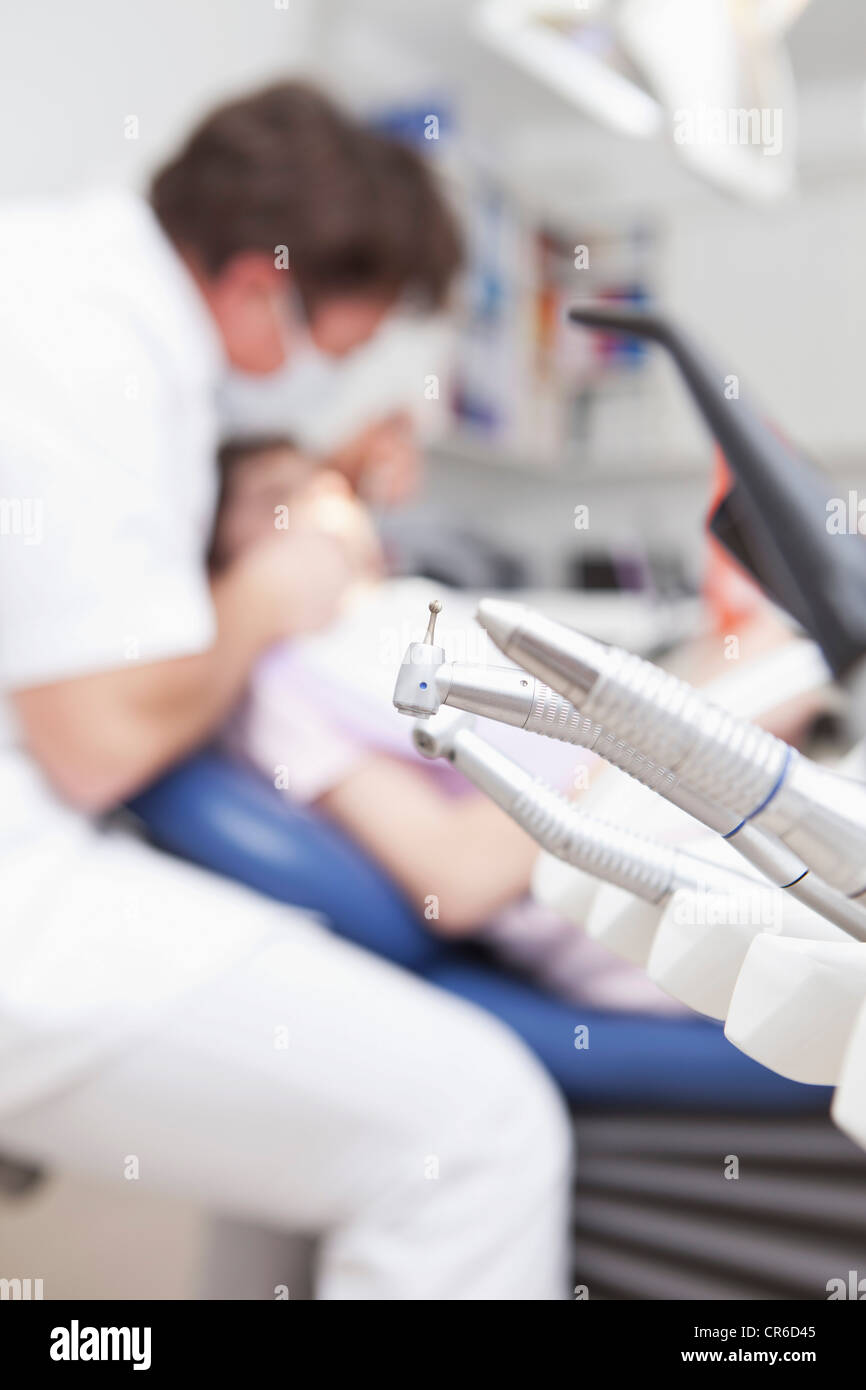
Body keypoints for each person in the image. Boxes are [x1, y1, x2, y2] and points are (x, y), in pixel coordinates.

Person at [0, 82, 571, 1300]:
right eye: (337, 346)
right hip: (24, 891)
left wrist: (312, 479)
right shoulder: (78, 343)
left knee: (324, 1135)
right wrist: (265, 595)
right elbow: (95, 740)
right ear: (260, 286)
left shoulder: (80, 304)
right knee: (473, 1131)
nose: (326, 374)